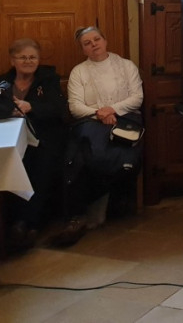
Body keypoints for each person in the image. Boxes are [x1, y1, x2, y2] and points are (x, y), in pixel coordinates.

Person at [53, 26, 143, 247]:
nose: (93, 44)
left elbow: (137, 98)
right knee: (77, 156)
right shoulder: (79, 72)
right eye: (87, 43)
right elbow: (75, 107)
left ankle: (104, 202)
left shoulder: (126, 66)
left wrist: (111, 109)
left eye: (97, 39)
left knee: (114, 155)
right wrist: (99, 113)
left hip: (125, 119)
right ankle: (77, 216)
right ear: (83, 49)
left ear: (105, 40)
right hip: (91, 121)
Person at [0, 40, 68, 251]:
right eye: (23, 57)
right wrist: (3, 110)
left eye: (32, 57)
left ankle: (26, 224)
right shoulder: (0, 81)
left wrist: (31, 107)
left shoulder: (48, 79)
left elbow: (58, 109)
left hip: (44, 137)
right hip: (9, 138)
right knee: (8, 165)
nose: (28, 61)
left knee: (40, 164)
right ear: (13, 61)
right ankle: (16, 225)